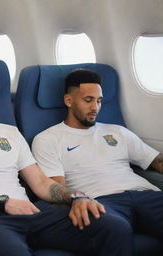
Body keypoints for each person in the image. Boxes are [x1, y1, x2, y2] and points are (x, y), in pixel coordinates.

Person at [0, 56, 131, 256]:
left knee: (113, 227)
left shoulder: (9, 132)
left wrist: (76, 197)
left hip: (31, 211)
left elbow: (39, 182)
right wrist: (2, 202)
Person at [32, 68, 163, 254]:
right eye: (88, 100)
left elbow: (157, 161)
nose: (95, 107)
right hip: (100, 201)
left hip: (146, 194)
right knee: (115, 228)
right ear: (68, 100)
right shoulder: (48, 139)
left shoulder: (117, 131)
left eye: (99, 101)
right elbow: (56, 187)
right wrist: (78, 199)